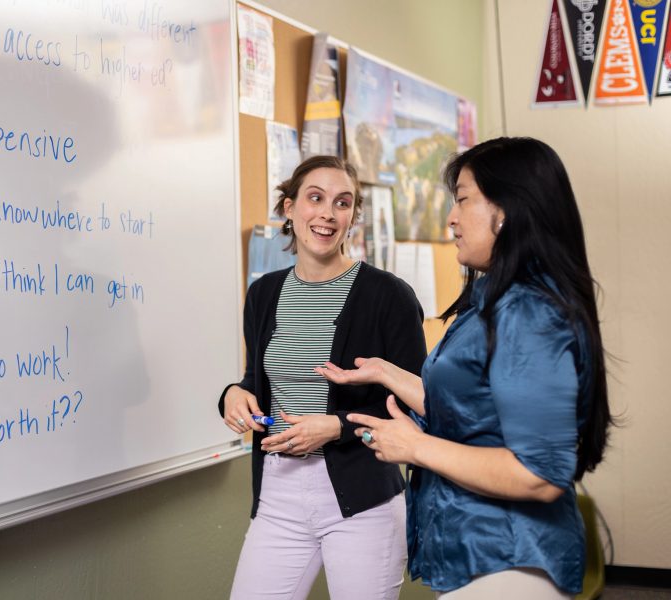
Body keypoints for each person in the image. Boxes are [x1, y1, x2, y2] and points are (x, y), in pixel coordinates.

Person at [317, 137, 612, 598]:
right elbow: (472, 410)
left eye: (463, 200)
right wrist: (388, 373)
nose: (451, 219)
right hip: (475, 557)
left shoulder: (529, 313)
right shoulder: (493, 301)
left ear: (508, 209)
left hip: (510, 559)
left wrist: (416, 448)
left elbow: (540, 475)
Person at [218, 155, 427, 600]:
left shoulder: (388, 295)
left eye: (343, 203)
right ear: (289, 209)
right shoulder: (264, 293)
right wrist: (234, 394)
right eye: (315, 198)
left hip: (362, 497)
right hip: (278, 493)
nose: (328, 214)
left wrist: (336, 426)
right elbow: (257, 379)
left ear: (353, 217)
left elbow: (414, 405)